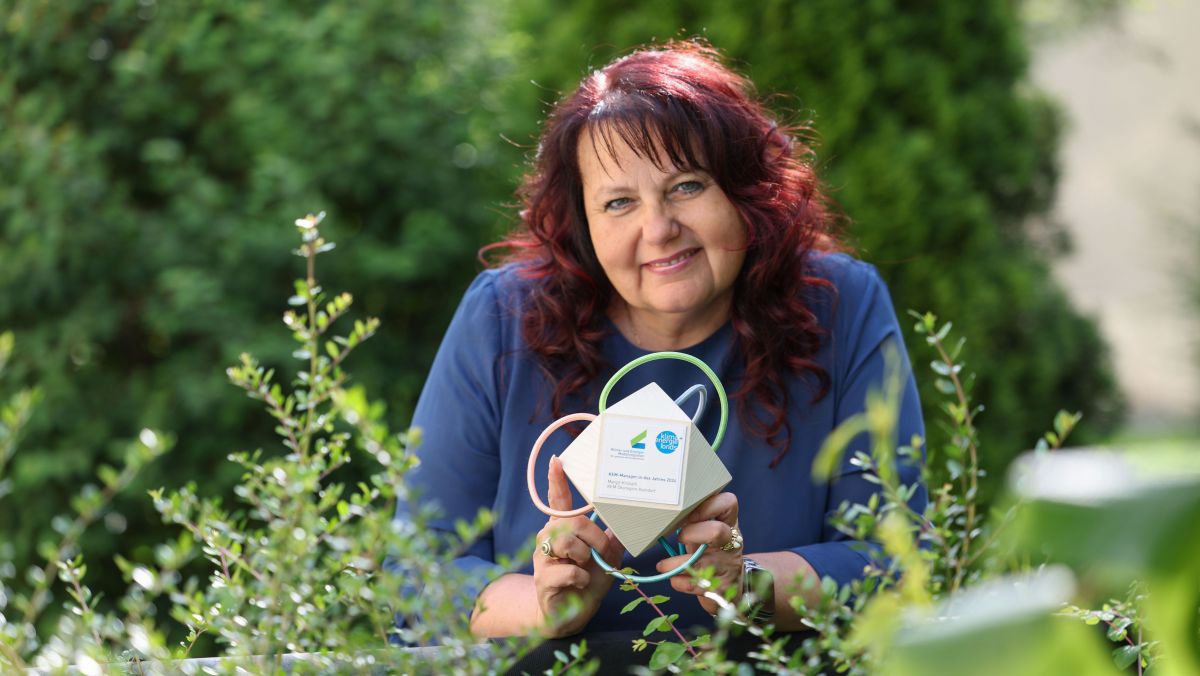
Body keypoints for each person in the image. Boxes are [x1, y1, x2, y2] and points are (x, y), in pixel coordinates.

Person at [395, 41, 926, 639]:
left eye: (687, 187)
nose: (659, 229)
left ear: (744, 191)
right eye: (619, 203)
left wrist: (746, 583)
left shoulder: (839, 304)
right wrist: (547, 608)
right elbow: (418, 576)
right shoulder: (502, 317)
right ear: (582, 224)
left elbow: (895, 563)